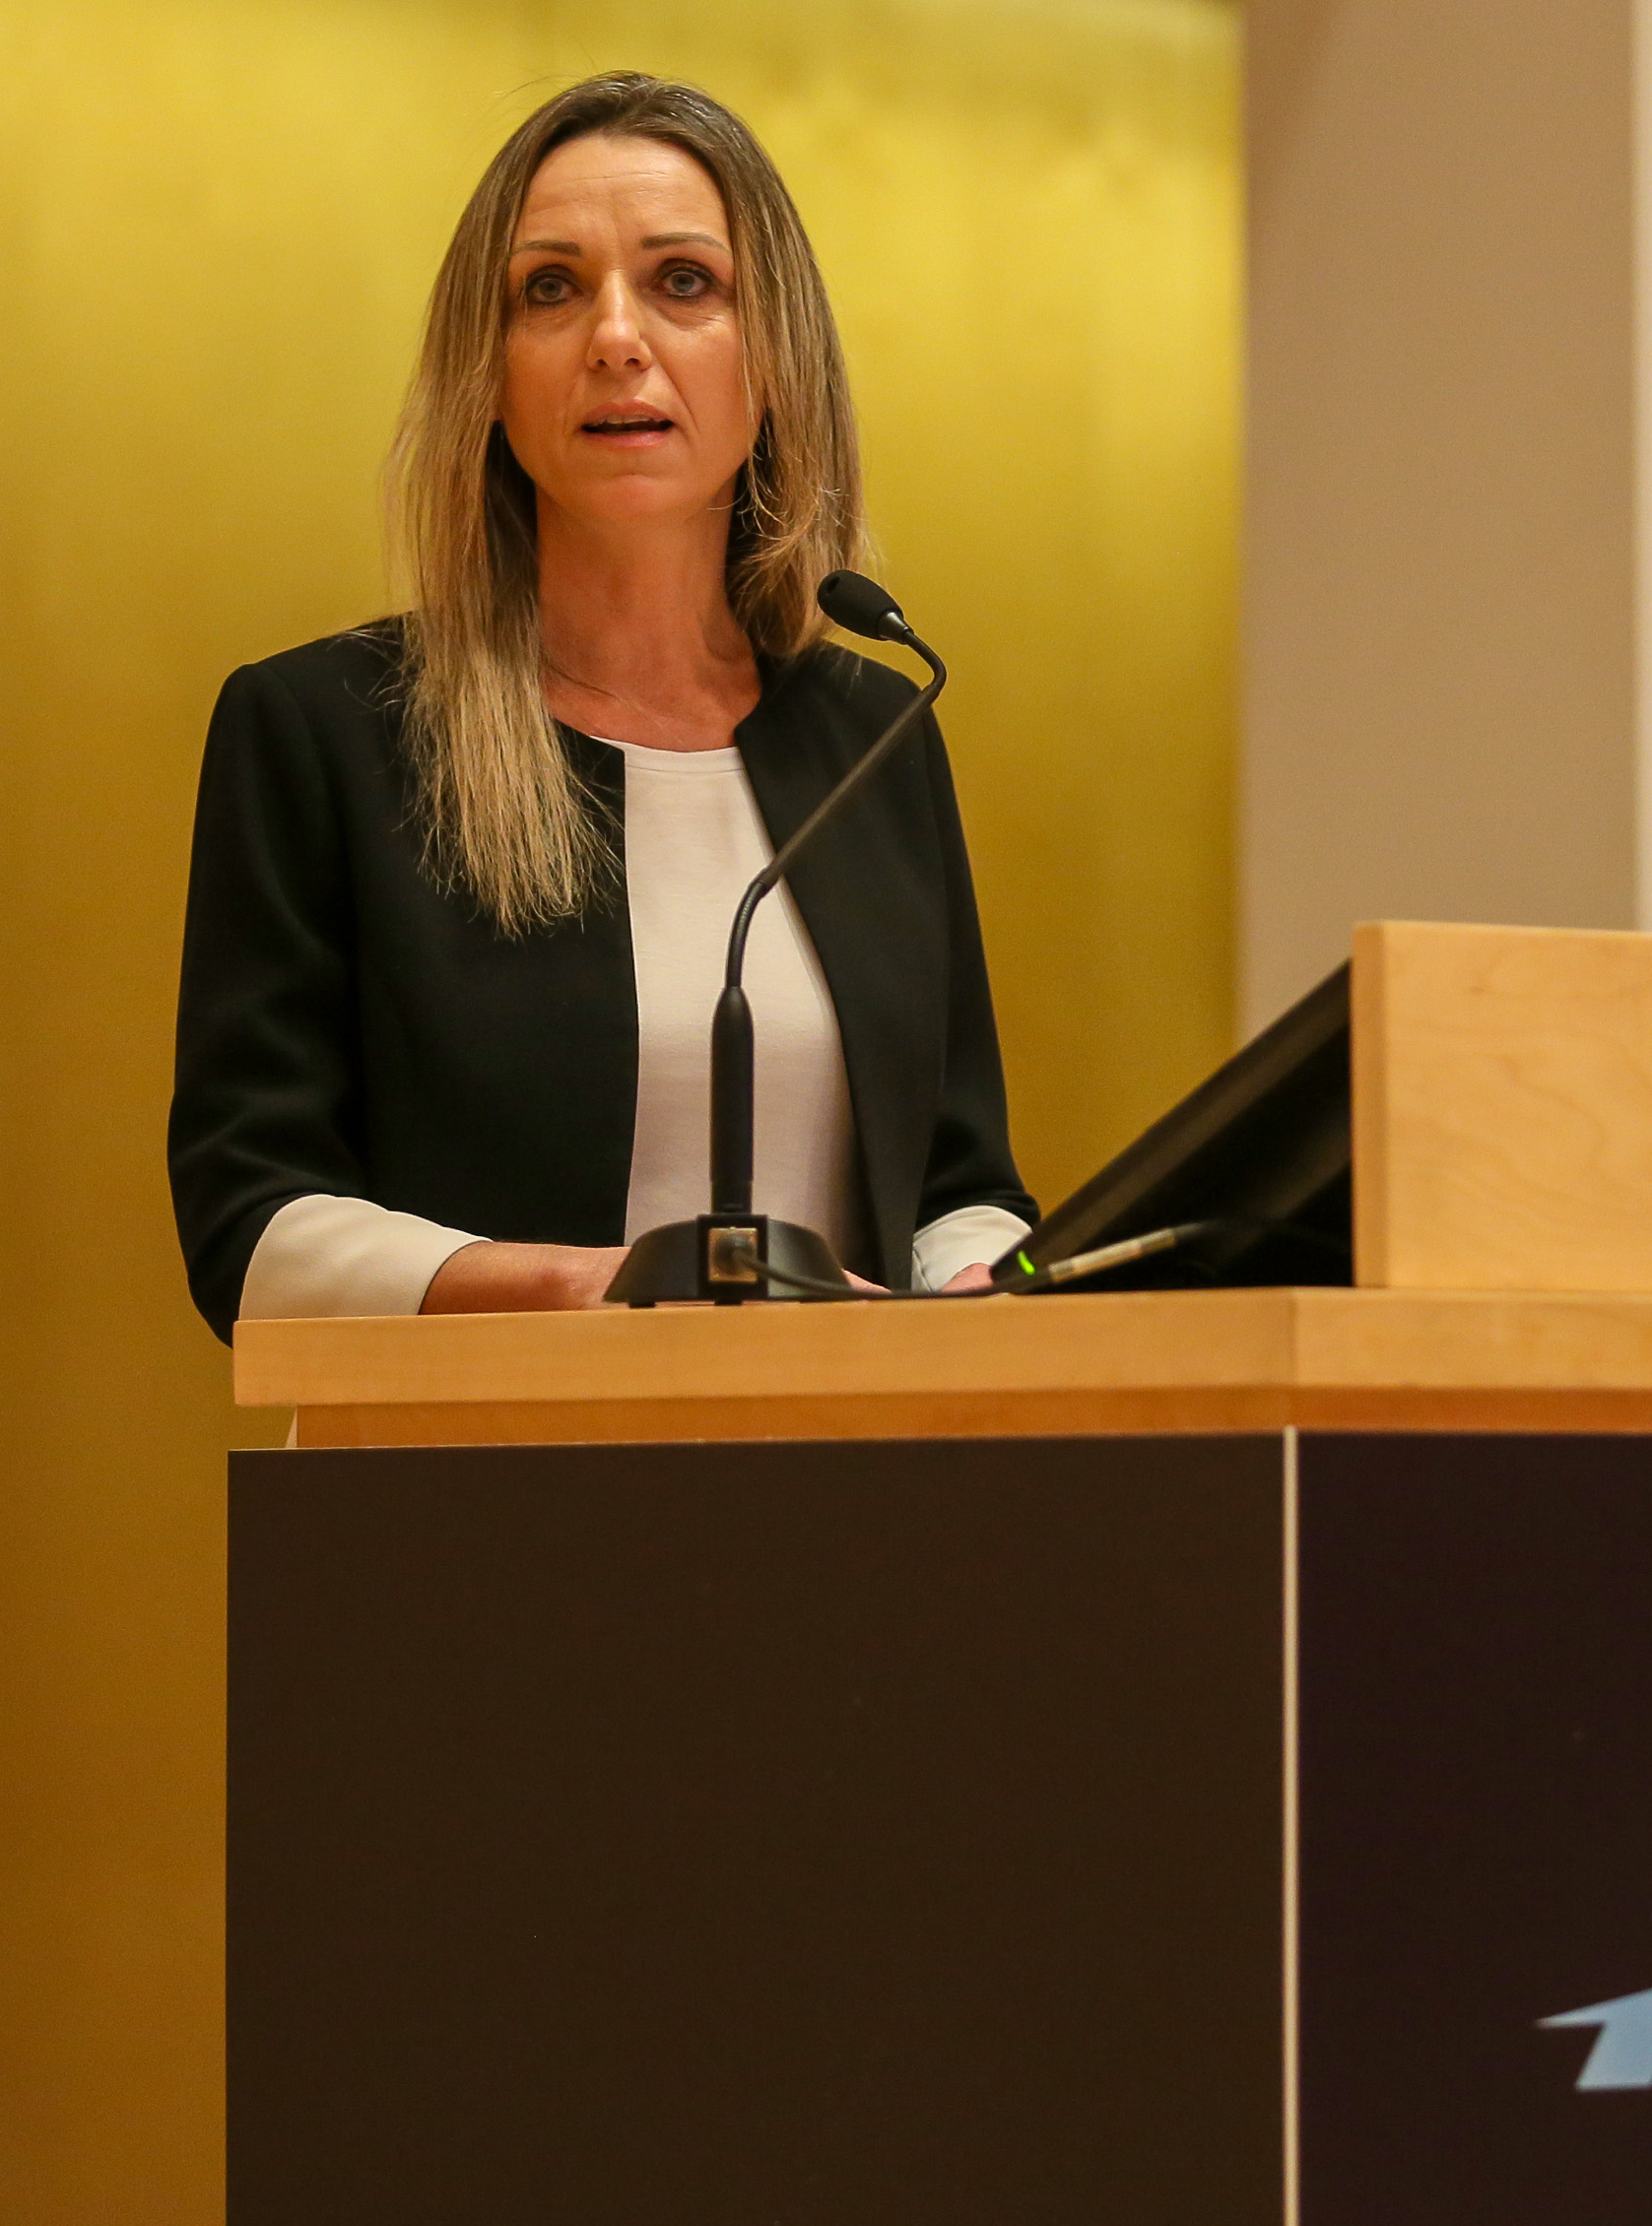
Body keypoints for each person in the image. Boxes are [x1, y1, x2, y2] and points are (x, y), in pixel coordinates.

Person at [168, 72, 1036, 1342]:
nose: (616, 337)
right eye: (550, 289)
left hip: (840, 1458)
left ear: (776, 358)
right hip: (477, 1456)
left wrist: (982, 1283)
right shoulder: (325, 732)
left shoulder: (873, 734)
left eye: (684, 281)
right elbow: (250, 1227)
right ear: (490, 373)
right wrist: (586, 1287)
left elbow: (961, 1183)